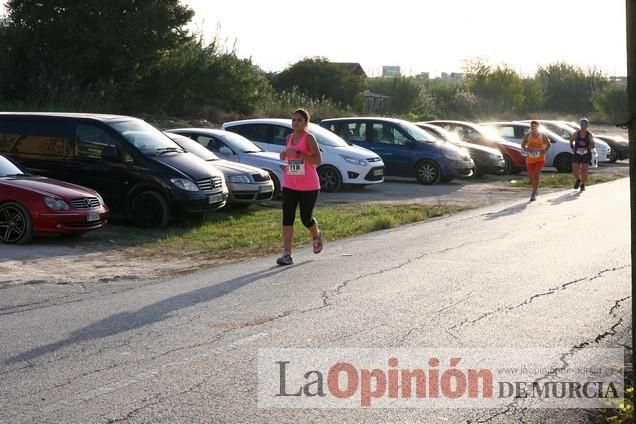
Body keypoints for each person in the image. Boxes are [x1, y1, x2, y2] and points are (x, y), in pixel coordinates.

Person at [276, 109, 323, 266]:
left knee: (305, 218)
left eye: (299, 120)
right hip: (290, 184)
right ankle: (287, 254)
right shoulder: (289, 137)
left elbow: (317, 160)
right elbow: (288, 157)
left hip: (309, 186)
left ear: (306, 122)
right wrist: (284, 155)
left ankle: (316, 234)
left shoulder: (309, 138)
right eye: (294, 120)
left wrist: (301, 155)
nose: (295, 123)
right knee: (287, 218)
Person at [521, 120, 550, 201]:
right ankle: (535, 188)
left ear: (538, 127)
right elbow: (523, 145)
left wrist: (545, 150)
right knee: (530, 176)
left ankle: (533, 193)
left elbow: (548, 144)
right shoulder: (527, 135)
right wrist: (527, 149)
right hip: (530, 158)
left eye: (535, 126)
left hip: (540, 158)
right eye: (532, 126)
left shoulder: (543, 135)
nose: (533, 128)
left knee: (536, 174)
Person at [569, 118, 595, 192]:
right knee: (574, 170)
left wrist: (587, 146)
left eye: (585, 124)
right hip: (577, 153)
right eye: (582, 124)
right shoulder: (576, 133)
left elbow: (593, 145)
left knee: (584, 170)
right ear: (580, 125)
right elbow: (571, 140)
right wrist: (572, 147)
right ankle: (578, 179)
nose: (583, 126)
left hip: (586, 154)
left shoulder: (589, 134)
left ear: (587, 125)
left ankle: (583, 184)